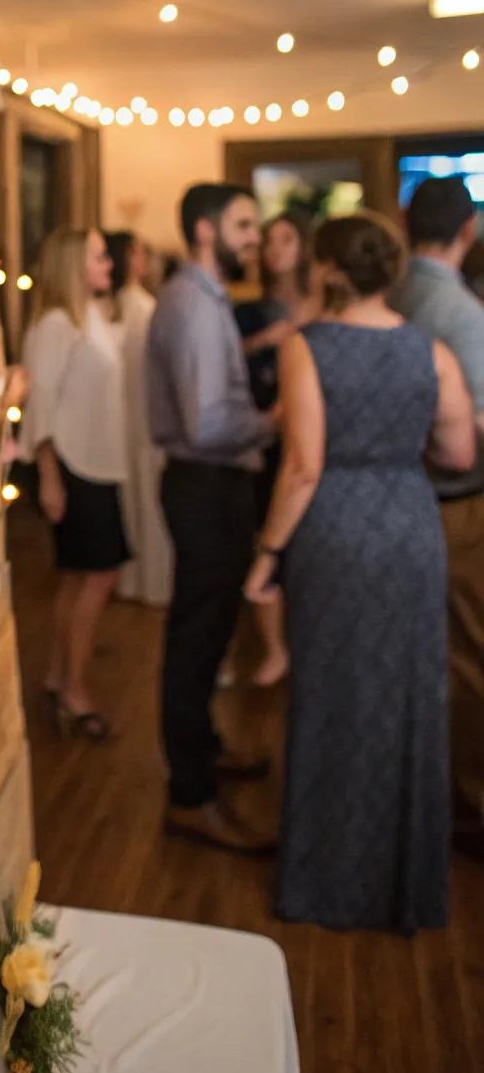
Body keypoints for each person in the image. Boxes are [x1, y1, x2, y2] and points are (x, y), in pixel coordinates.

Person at [246, 214, 474, 930]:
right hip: (409, 522)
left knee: (330, 691)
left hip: (336, 529)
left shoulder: (306, 348)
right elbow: (461, 452)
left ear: (327, 270)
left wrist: (266, 554)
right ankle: (402, 878)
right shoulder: (431, 350)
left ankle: (327, 878)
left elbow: (305, 465)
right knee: (408, 695)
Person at [147, 183, 277, 853]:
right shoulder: (194, 305)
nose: (255, 237)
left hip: (214, 484)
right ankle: (190, 796)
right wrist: (276, 419)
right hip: (205, 483)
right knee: (196, 641)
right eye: (245, 225)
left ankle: (204, 752)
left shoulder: (204, 297)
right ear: (206, 231)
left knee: (210, 632)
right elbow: (206, 421)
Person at [392, 176, 484, 856]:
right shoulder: (459, 309)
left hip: (398, 500)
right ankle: (468, 804)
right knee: (466, 657)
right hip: (454, 504)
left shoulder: (393, 294)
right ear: (468, 231)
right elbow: (470, 433)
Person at [21, 227, 130, 740]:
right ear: (73, 264)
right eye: (99, 255)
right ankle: (75, 688)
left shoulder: (91, 317)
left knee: (77, 578)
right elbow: (40, 405)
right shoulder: (54, 325)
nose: (109, 261)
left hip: (98, 462)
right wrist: (48, 478)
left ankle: (58, 676)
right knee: (96, 576)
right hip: (73, 467)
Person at [234, 212, 318, 686]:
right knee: (267, 536)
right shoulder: (250, 309)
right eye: (269, 242)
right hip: (265, 435)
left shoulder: (323, 305)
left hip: (309, 435)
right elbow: (230, 364)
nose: (276, 249)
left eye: (286, 239)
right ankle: (273, 648)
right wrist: (265, 340)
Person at [104, 230, 173, 607]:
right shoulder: (141, 309)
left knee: (135, 497)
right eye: (139, 252)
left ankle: (135, 580)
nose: (144, 259)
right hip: (144, 416)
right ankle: (154, 582)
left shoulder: (117, 308)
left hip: (124, 419)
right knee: (148, 498)